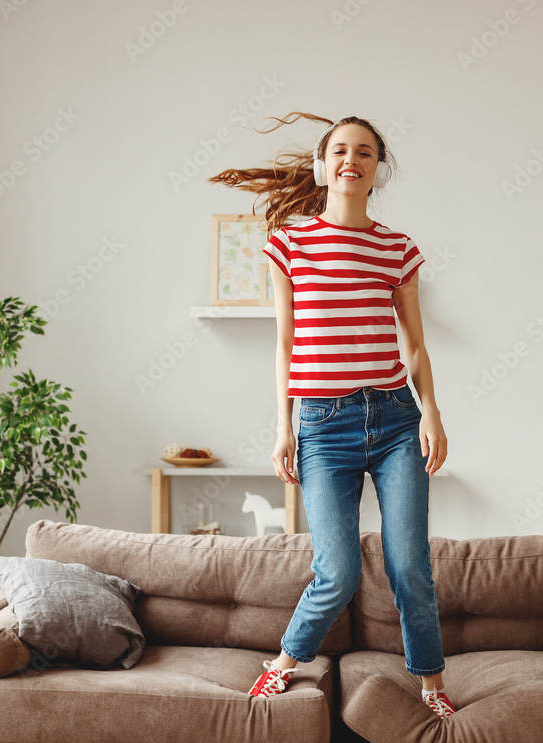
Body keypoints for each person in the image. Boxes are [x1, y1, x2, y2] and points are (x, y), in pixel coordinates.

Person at [209, 111, 454, 718]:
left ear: (378, 169)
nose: (352, 159)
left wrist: (432, 415)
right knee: (337, 571)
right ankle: (284, 663)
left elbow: (415, 345)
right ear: (322, 165)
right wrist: (283, 428)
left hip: (397, 420)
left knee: (409, 566)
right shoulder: (289, 244)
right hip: (322, 425)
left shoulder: (397, 248)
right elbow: (285, 347)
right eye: (340, 150)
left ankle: (431, 684)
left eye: (365, 152)